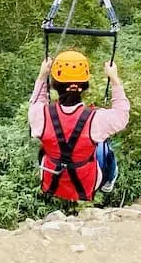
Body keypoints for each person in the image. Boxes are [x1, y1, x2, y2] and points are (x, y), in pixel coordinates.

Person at [30, 50, 128, 205]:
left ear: (55, 85)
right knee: (104, 146)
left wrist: (42, 76)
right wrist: (115, 79)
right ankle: (108, 183)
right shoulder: (96, 119)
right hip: (86, 182)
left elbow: (36, 101)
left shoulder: (40, 114)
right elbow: (122, 115)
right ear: (84, 86)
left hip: (51, 178)